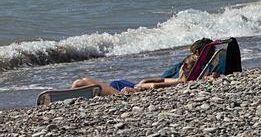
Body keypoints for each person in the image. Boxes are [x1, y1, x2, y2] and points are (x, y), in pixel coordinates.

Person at [71, 38, 213, 95]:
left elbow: (155, 86)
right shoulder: (194, 75)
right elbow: (163, 81)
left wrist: (140, 87)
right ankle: (73, 95)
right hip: (132, 88)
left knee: (81, 82)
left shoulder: (185, 78)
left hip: (127, 93)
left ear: (198, 53)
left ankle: (69, 96)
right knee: (84, 81)